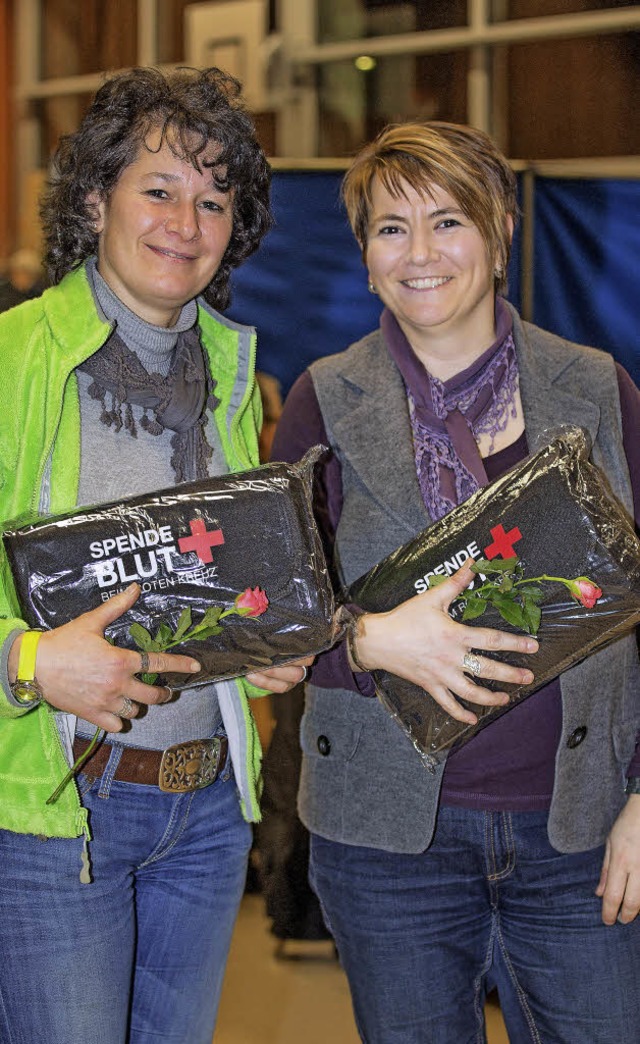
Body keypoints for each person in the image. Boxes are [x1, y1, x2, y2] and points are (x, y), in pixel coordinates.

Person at [271, 121, 640, 1043]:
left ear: (502, 231)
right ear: (363, 256)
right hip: (388, 843)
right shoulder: (324, 397)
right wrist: (367, 637)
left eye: (448, 221)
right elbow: (279, 614)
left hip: (581, 830)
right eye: (390, 229)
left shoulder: (596, 389)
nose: (420, 254)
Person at [0, 66, 312, 1044]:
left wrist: (267, 651)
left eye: (213, 199)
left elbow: (213, 590)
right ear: (96, 200)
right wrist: (32, 660)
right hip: (59, 817)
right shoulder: (14, 362)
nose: (187, 221)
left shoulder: (229, 373)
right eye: (160, 189)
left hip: (208, 811)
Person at [0, 247, 46, 311]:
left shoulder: (41, 294)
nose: (16, 277)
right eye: (15, 272)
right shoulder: (4, 292)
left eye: (21, 273)